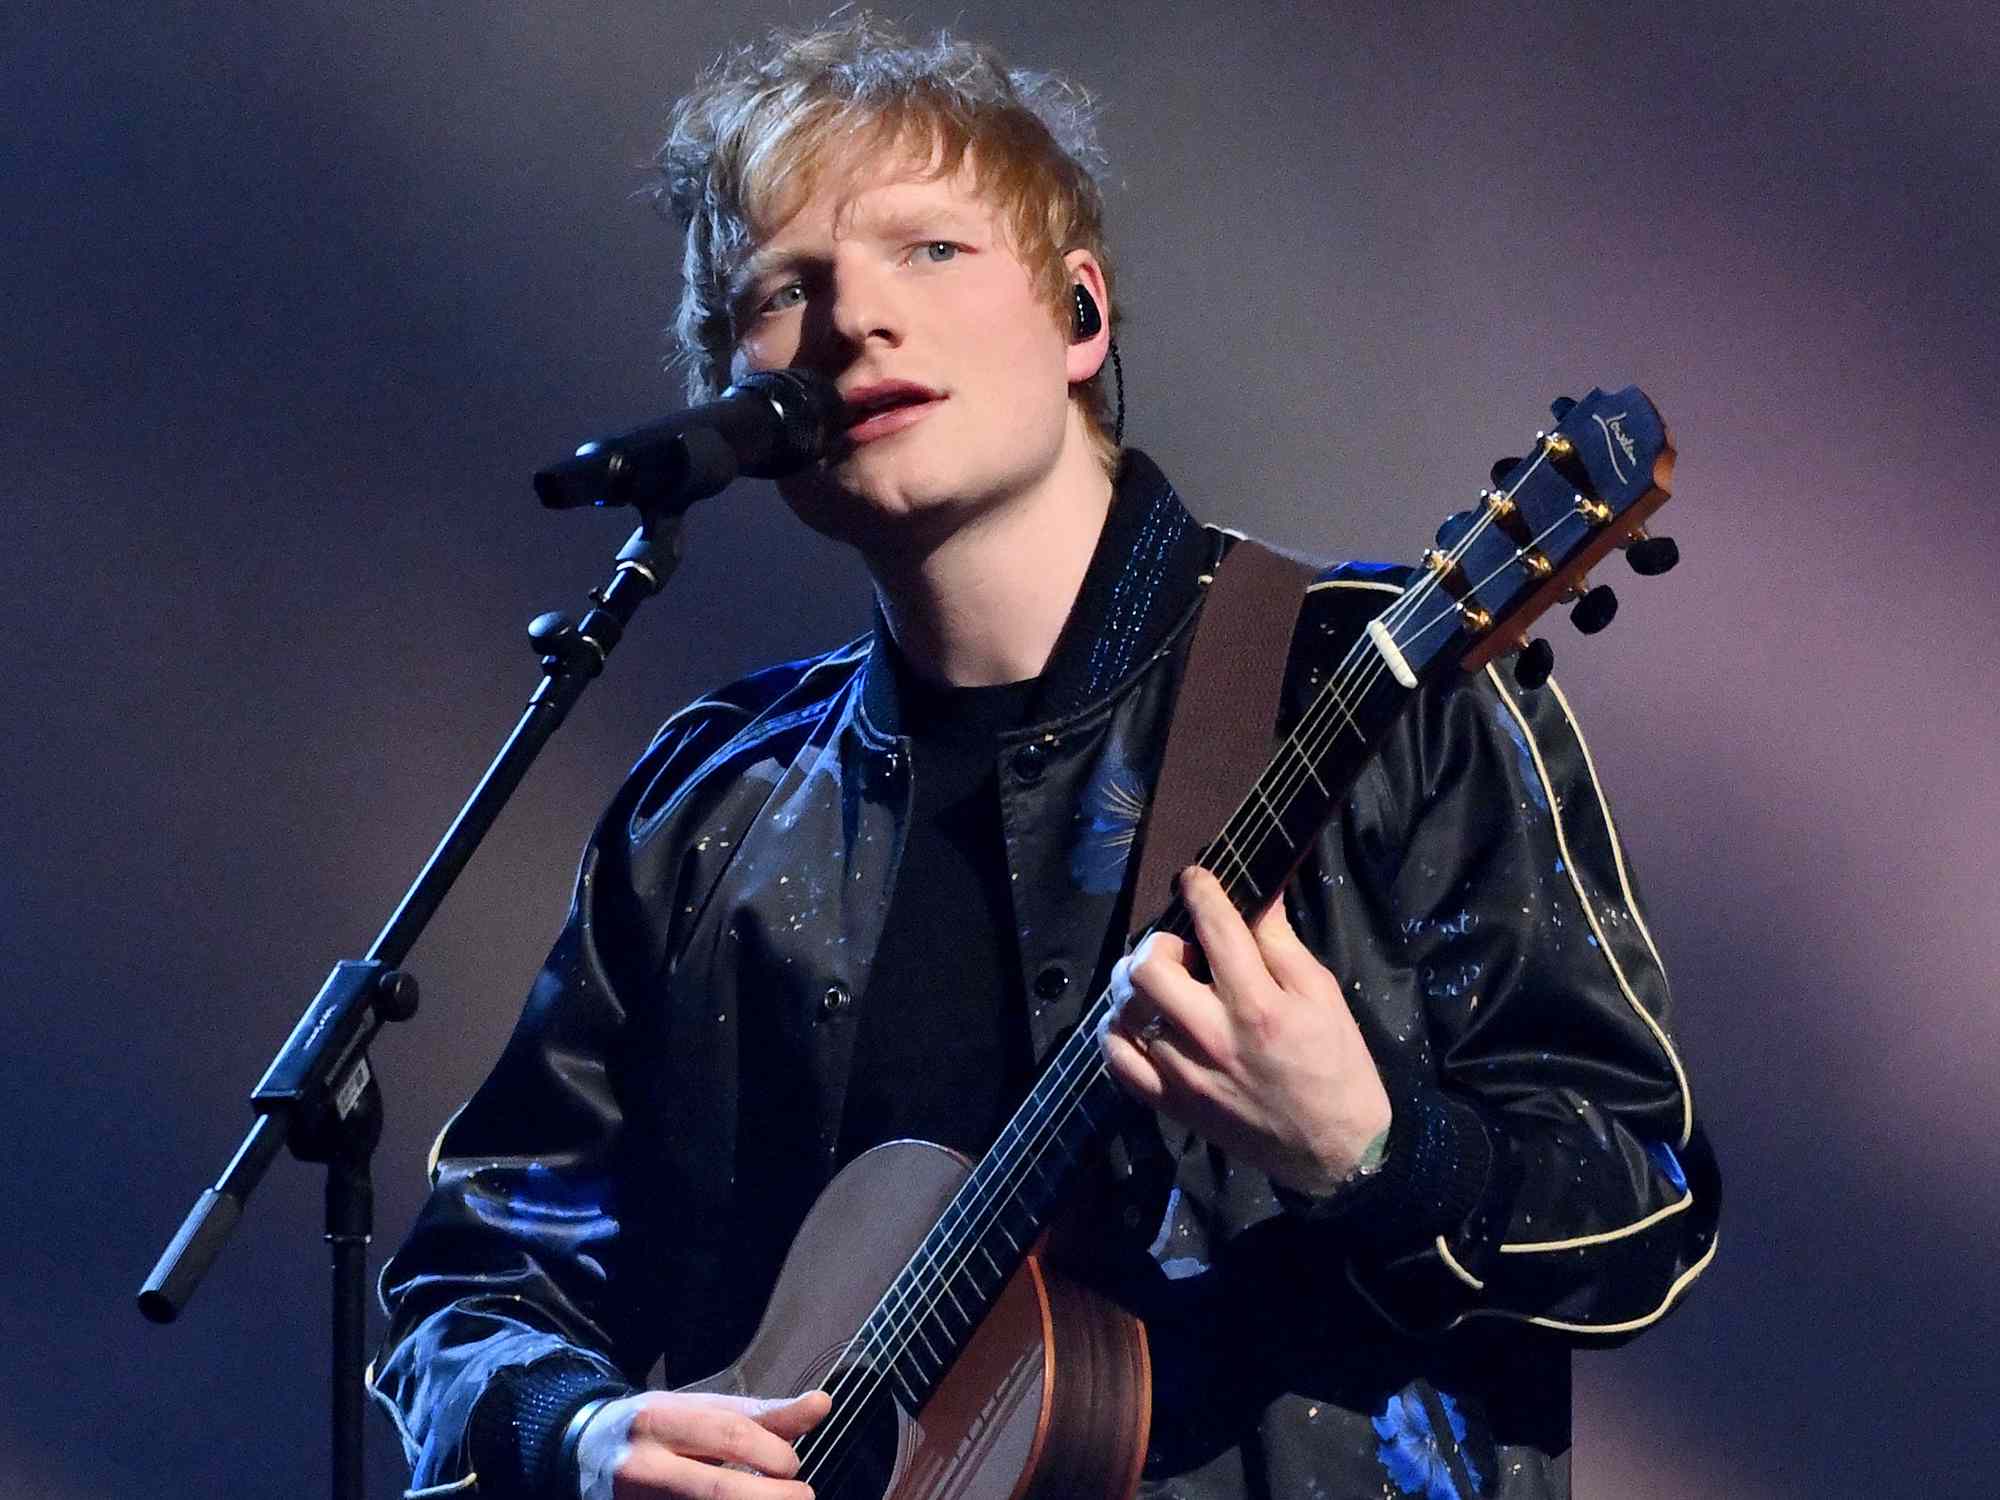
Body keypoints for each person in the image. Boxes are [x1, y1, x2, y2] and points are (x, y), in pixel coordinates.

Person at [371, 15, 1719, 1500]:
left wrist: (1376, 1150)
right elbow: (474, 1284)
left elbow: (1647, 1206)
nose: (854, 323)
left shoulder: (1372, 688)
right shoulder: (708, 814)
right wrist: (581, 1430)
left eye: (930, 251)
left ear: (1079, 314)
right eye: (782, 288)